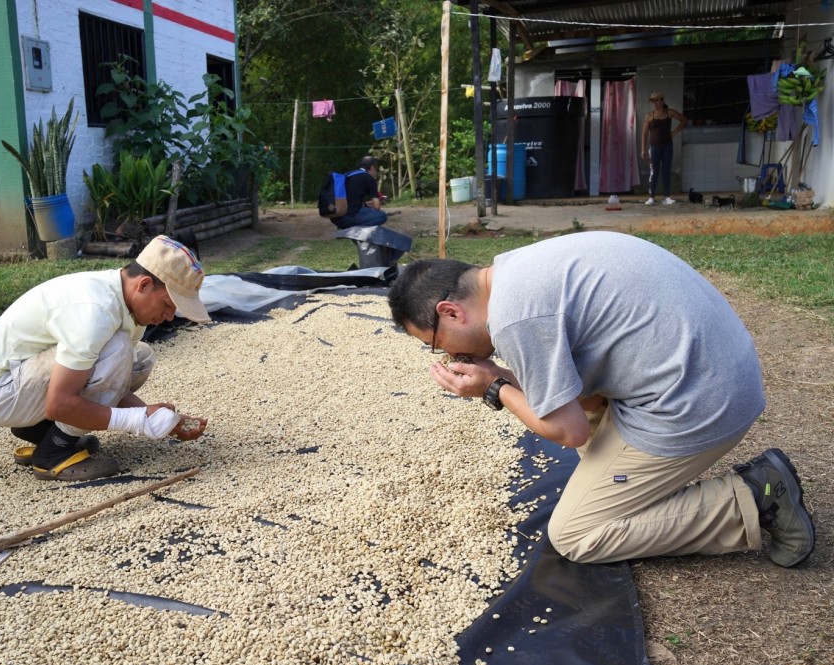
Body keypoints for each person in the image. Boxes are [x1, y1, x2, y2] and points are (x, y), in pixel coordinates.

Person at [386, 231, 815, 568]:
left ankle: (756, 498)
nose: (448, 355)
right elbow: (560, 388)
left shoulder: (516, 318)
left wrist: (494, 389)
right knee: (584, 411)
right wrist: (499, 374)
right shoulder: (511, 272)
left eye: (436, 343)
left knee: (576, 535)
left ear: (449, 311)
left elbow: (566, 430)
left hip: (701, 402)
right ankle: (637, 481)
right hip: (714, 369)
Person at [0, 235, 210, 482]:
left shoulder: (126, 304)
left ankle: (39, 429)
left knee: (140, 356)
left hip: (18, 383)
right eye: (168, 305)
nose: (169, 317)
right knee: (119, 348)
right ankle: (54, 453)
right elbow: (59, 403)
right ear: (144, 285)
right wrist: (140, 421)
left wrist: (152, 415)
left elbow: (113, 383)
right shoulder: (96, 311)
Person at [641, 91, 688, 205]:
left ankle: (666, 196)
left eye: (657, 100)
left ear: (662, 101)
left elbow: (684, 120)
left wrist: (675, 132)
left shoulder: (669, 112)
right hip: (654, 147)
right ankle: (651, 197)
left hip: (667, 146)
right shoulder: (649, 116)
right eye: (653, 101)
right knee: (654, 172)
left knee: (666, 171)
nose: (655, 103)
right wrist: (643, 149)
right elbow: (644, 133)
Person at [329, 155, 388, 229]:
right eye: (376, 169)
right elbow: (377, 207)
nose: (376, 172)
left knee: (364, 211)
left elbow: (351, 202)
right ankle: (354, 231)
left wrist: (367, 204)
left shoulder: (348, 174)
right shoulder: (369, 178)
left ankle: (344, 228)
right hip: (348, 218)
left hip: (335, 218)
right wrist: (379, 201)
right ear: (372, 168)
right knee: (382, 216)